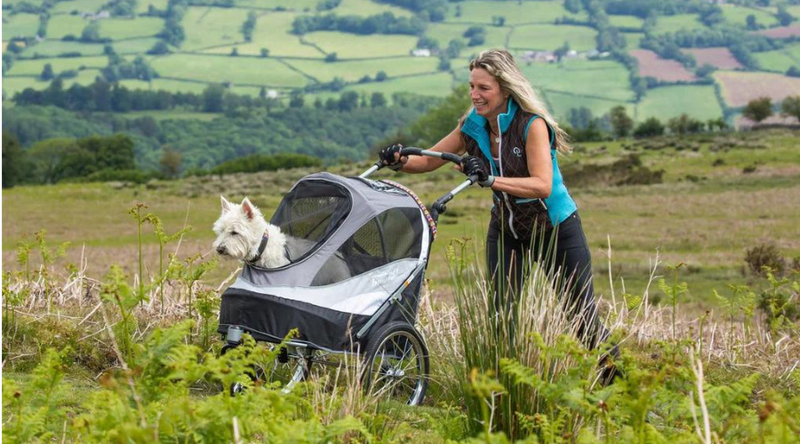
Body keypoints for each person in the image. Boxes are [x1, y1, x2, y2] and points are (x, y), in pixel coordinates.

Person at [379, 49, 616, 363]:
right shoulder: (473, 125)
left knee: (582, 318)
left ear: (505, 89)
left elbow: (541, 185)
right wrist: (398, 161)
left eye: (483, 88)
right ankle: (503, 394)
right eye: (472, 87)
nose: (475, 95)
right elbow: (426, 160)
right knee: (500, 318)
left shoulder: (532, 125)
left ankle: (619, 387)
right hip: (506, 230)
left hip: (555, 229)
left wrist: (490, 180)